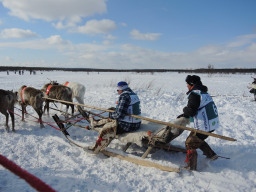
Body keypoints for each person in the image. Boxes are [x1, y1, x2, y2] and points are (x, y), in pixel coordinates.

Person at [178, 75, 220, 171]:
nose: (187, 86)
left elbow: (191, 111)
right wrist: (185, 114)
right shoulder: (203, 93)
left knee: (190, 143)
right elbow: (197, 107)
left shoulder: (195, 94)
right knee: (197, 138)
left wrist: (185, 110)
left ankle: (191, 167)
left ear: (192, 84)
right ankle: (212, 155)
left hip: (205, 124)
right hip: (212, 122)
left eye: (187, 84)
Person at [89, 81, 141, 153]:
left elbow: (119, 115)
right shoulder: (133, 94)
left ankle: (95, 149)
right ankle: (96, 122)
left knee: (105, 130)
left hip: (128, 125)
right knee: (113, 113)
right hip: (137, 123)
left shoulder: (124, 96)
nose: (117, 92)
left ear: (121, 89)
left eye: (118, 90)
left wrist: (111, 115)